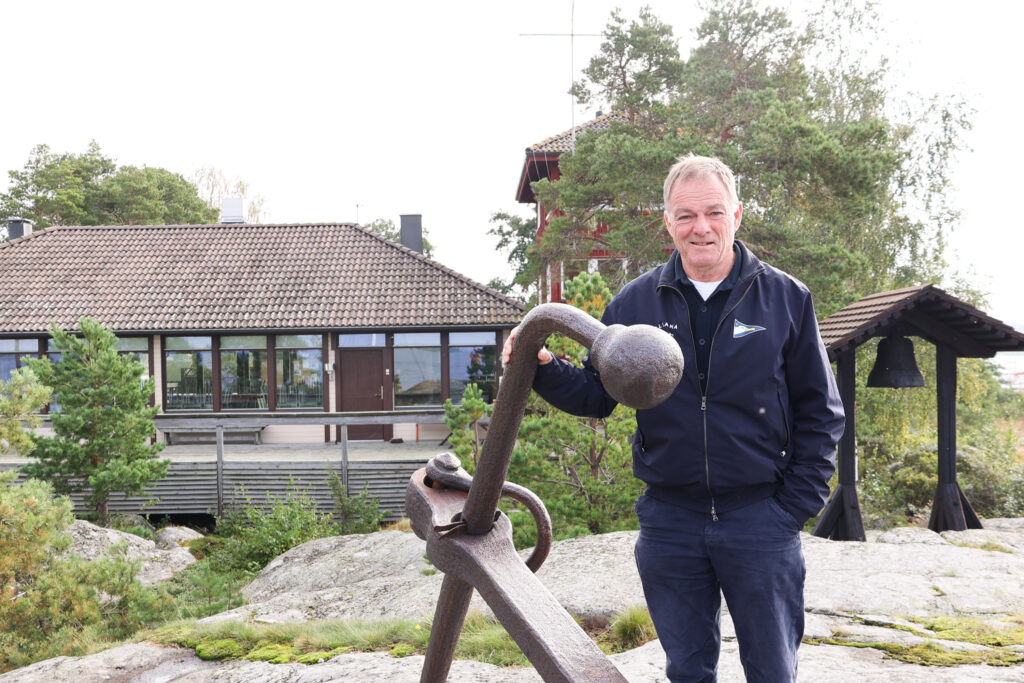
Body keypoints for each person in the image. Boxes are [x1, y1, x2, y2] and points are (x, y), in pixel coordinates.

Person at [501, 154, 845, 682]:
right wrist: (542, 366)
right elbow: (597, 396)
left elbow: (821, 412)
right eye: (685, 215)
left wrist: (791, 508)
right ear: (668, 222)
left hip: (760, 519)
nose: (700, 227)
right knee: (686, 671)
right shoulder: (636, 301)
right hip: (670, 523)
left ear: (737, 215)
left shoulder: (785, 299)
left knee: (773, 671)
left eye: (713, 212)